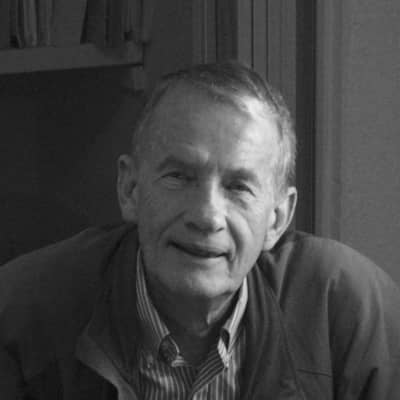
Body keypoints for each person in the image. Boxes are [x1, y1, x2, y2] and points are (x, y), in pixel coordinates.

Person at [1, 61, 400, 400]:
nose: (207, 216)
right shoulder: (20, 311)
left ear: (277, 219)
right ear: (130, 189)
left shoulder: (351, 308)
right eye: (179, 176)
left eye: (238, 187)